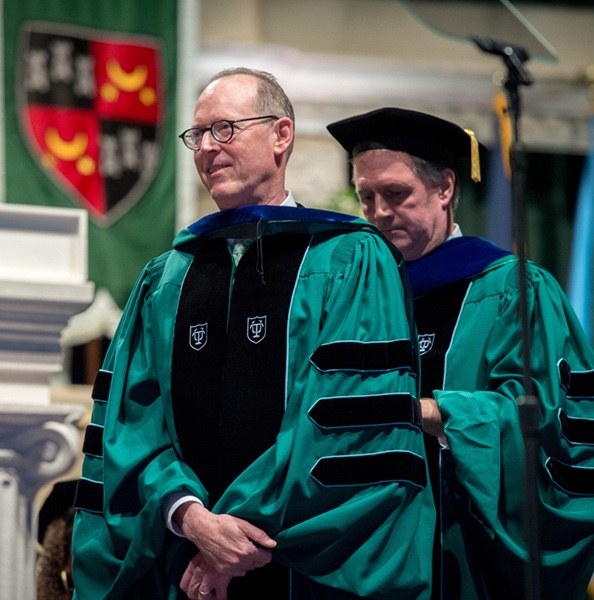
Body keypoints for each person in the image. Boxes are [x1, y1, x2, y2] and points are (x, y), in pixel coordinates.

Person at [71, 72, 435, 599]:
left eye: (225, 128)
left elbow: (349, 423)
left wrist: (232, 541)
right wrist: (189, 518)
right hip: (186, 563)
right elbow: (133, 424)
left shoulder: (349, 260)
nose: (207, 149)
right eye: (198, 136)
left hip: (304, 572)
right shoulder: (167, 277)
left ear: (281, 135)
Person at [327, 107, 594, 599]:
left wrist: (424, 413)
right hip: (368, 566)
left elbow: (543, 422)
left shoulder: (514, 290)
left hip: (470, 563)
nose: (378, 212)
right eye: (366, 197)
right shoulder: (355, 301)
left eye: (396, 193)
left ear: (444, 188)